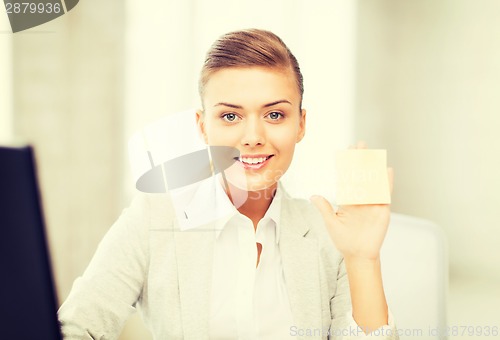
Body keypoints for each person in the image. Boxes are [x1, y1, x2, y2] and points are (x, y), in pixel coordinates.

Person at [58, 29, 399, 339]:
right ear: (203, 126)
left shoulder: (327, 235)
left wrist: (363, 260)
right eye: (230, 116)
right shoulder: (154, 217)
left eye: (275, 114)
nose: (252, 138)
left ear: (301, 124)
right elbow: (76, 326)